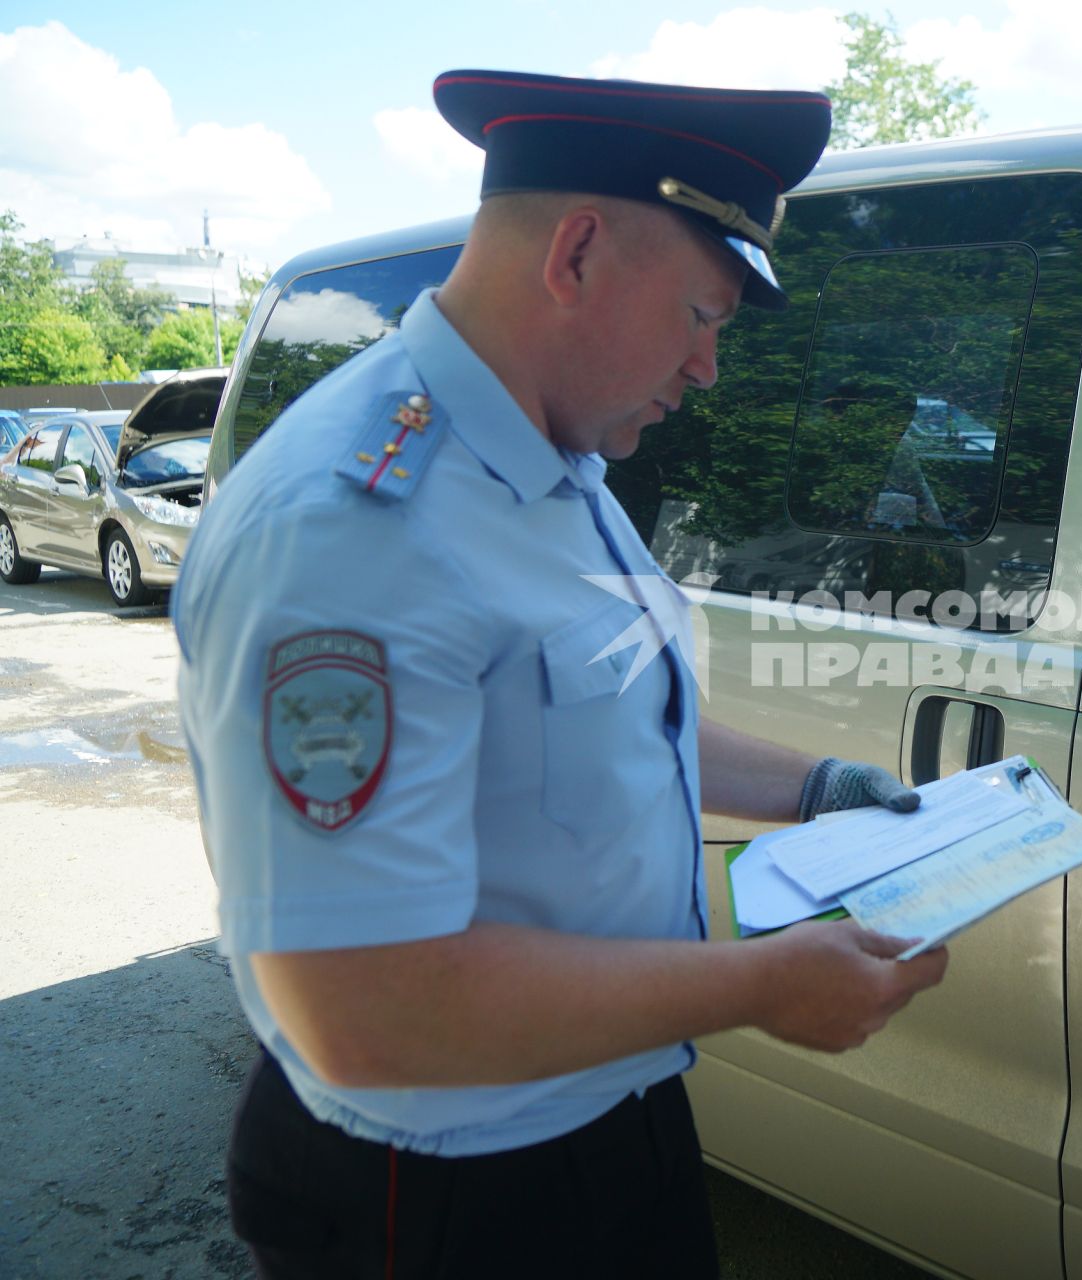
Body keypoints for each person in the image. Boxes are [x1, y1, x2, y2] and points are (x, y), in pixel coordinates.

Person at [172, 69, 949, 1277]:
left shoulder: (551, 457)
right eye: (702, 319)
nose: (706, 372)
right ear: (577, 252)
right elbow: (364, 1005)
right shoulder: (354, 526)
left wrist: (821, 786)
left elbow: (618, 712)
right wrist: (754, 983)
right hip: (443, 1190)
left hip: (609, 1112)